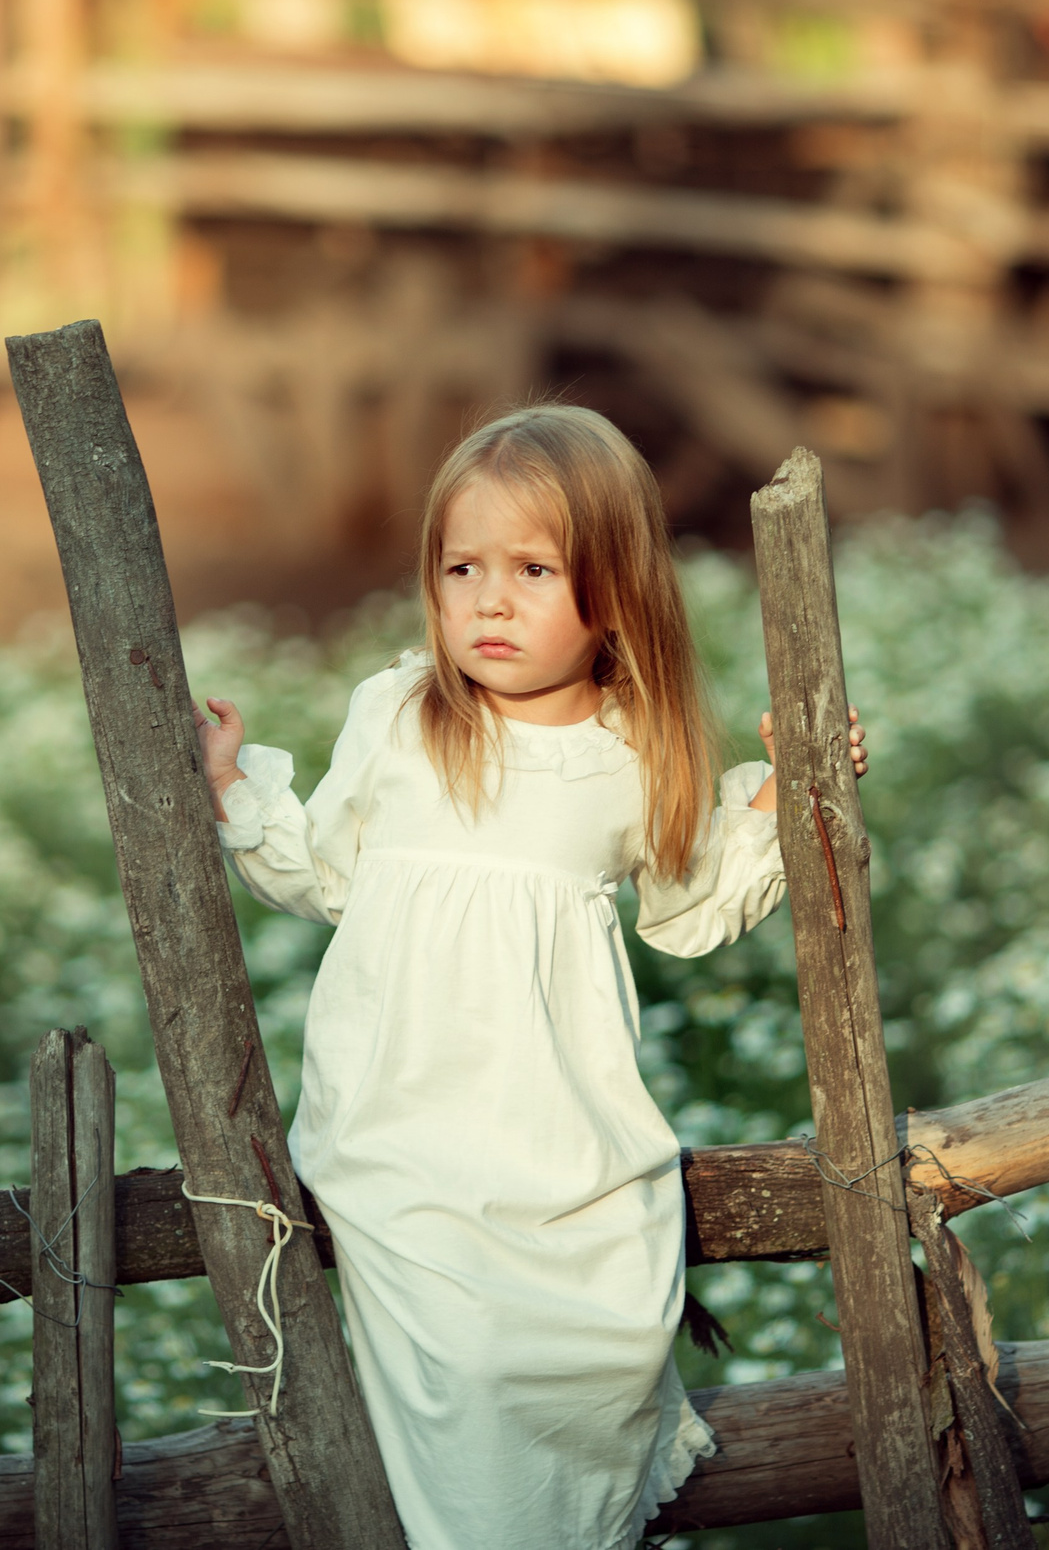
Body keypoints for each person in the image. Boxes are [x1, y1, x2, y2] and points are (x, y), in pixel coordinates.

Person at [196, 404, 868, 1550]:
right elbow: (323, 874)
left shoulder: (633, 745)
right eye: (461, 568)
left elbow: (689, 912)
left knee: (580, 1347)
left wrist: (777, 792)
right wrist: (234, 792)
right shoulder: (399, 712)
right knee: (455, 1368)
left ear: (614, 590)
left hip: (558, 1135)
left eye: (534, 570)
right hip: (397, 1130)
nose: (488, 601)